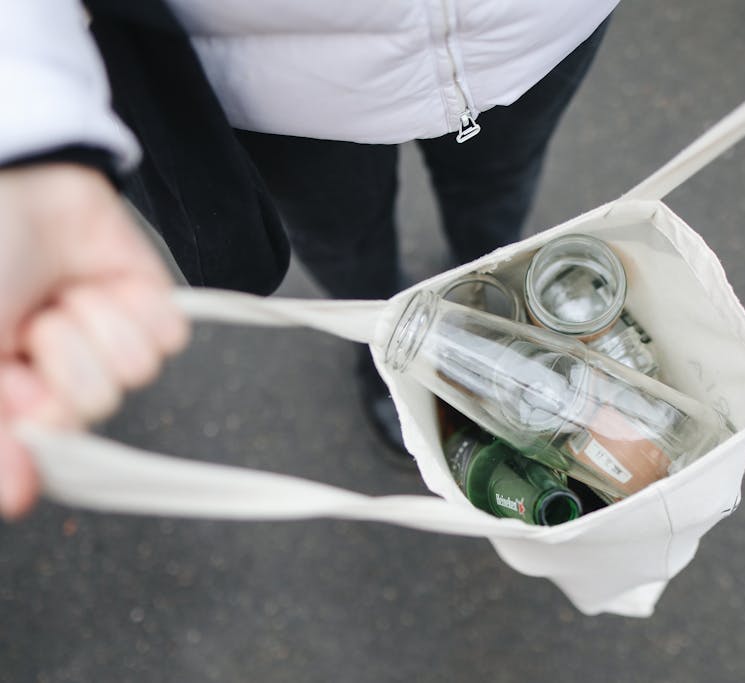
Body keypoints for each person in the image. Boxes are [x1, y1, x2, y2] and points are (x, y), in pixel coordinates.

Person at [0, 0, 617, 518]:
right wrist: (30, 127)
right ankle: (384, 335)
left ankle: (494, 297)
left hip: (536, 31)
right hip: (279, 76)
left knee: (499, 200)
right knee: (345, 244)